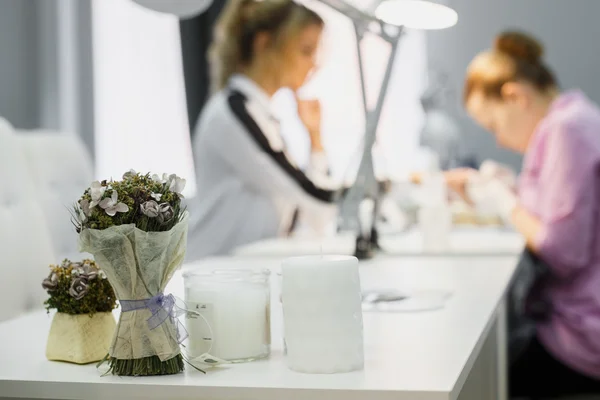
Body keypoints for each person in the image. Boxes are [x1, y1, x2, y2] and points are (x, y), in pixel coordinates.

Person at [454, 31, 600, 398]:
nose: (499, 140)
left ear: (515, 96)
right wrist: (509, 188)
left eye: (493, 125)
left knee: (478, 372)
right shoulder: (569, 120)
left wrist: (505, 201)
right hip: (575, 316)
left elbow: (564, 252)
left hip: (584, 333)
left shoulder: (568, 130)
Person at [186, 0, 341, 260]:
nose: (313, 64)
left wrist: (315, 139)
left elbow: (312, 215)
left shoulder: (262, 116)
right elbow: (312, 198)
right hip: (211, 271)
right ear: (264, 43)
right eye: (305, 50)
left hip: (242, 271)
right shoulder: (233, 113)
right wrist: (357, 193)